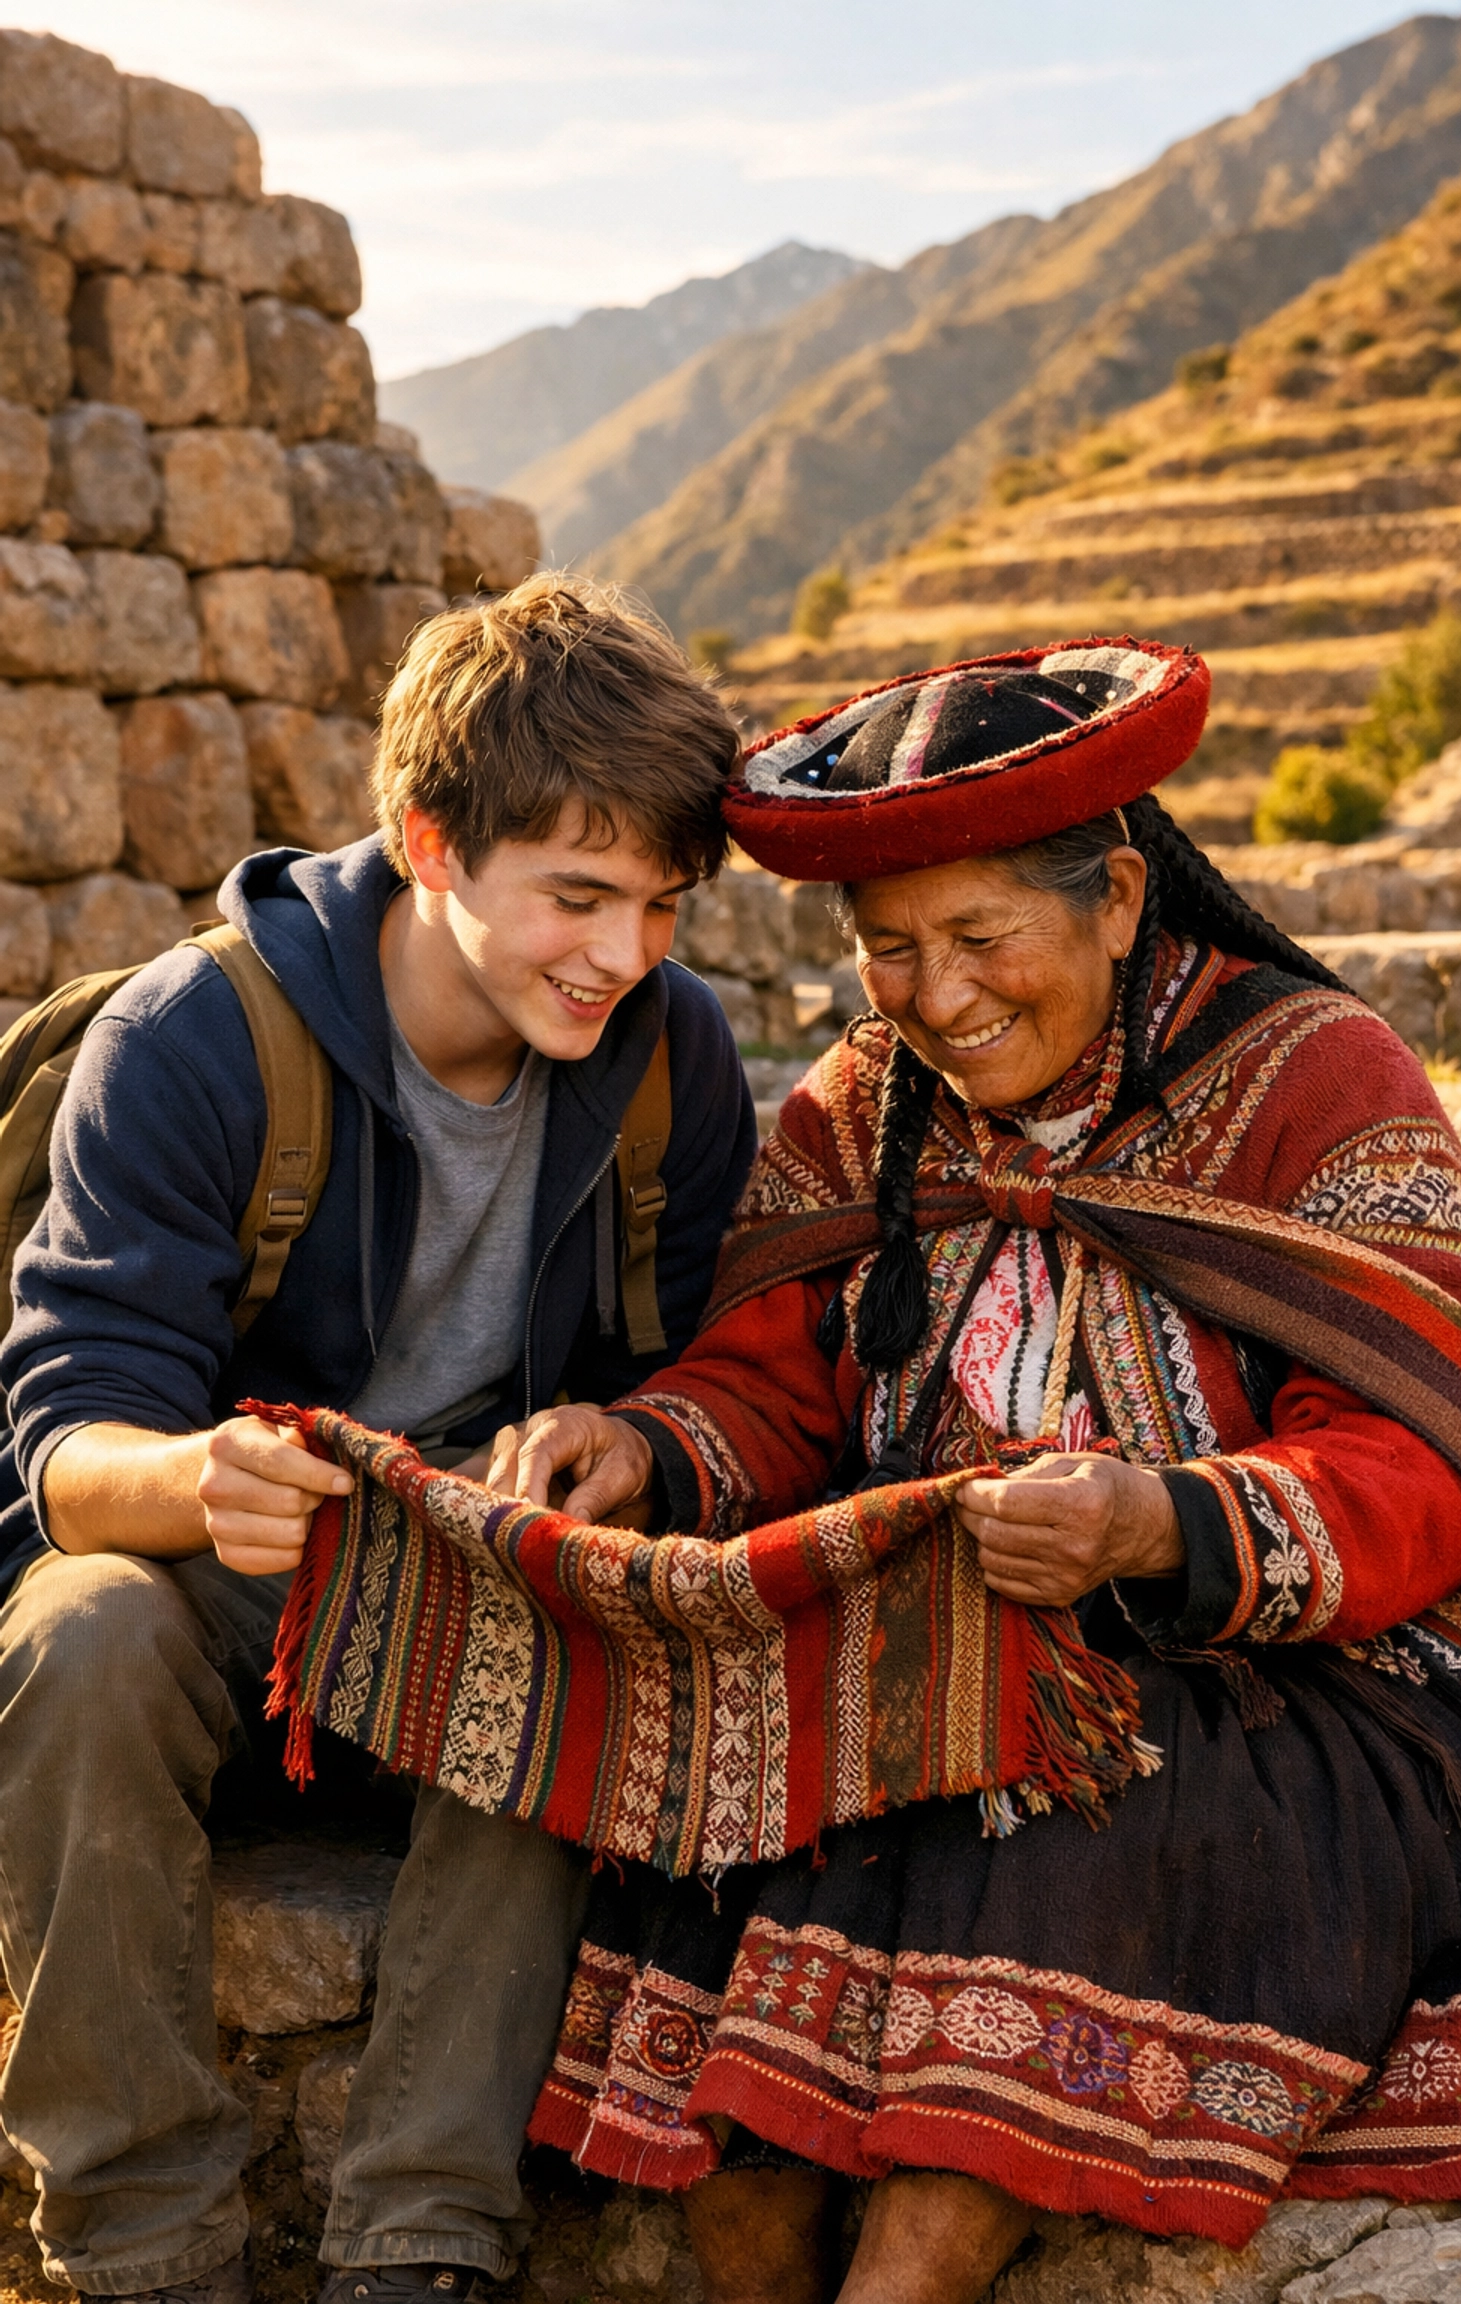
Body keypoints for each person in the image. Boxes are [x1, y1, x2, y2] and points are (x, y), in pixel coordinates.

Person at [508, 641, 1461, 2304]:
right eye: (891, 950)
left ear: (1121, 896)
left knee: (1078, 1825)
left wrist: (1158, 1522)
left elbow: (1424, 1454)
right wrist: (644, 1445)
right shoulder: (864, 1111)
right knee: (729, 1852)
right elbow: (769, 1385)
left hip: (1293, 1694)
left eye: (983, 937)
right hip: (946, 1664)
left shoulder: (1316, 1083)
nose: (938, 994)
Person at [0, 575, 756, 2304]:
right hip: (227, 1574)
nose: (621, 954)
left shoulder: (669, 1058)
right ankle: (139, 2244)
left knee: (571, 1631)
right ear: (429, 841)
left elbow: (725, 1369)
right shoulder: (193, 1040)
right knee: (83, 1625)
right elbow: (64, 1442)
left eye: (658, 905)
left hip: (457, 1594)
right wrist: (200, 1480)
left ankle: (420, 2244)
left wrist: (632, 1437)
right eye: (575, 896)